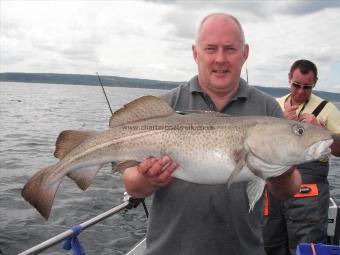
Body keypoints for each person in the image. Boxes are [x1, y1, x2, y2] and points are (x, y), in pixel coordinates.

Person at [123, 13, 302, 255]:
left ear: (245, 53)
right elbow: (131, 185)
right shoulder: (166, 106)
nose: (220, 59)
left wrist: (283, 169)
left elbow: (287, 191)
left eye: (230, 49)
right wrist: (147, 180)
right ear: (195, 53)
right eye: (210, 49)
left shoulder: (267, 109)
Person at [262, 59, 340, 255]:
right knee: (268, 244)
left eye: (307, 87)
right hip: (272, 190)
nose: (301, 91)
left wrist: (321, 130)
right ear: (289, 79)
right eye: (296, 85)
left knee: (305, 247)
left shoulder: (327, 109)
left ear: (315, 83)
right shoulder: (273, 106)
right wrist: (281, 124)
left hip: (310, 195)